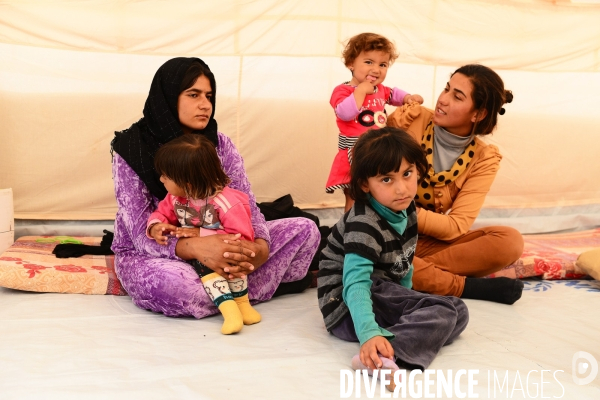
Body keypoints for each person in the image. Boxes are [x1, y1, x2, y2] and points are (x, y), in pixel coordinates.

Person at [110, 57, 320, 319]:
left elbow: (247, 203)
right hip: (159, 253)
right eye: (194, 94)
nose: (205, 105)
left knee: (305, 230)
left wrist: (259, 248)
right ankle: (239, 290)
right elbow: (141, 234)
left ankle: (225, 287)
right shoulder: (131, 149)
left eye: (209, 96)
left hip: (224, 239)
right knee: (177, 286)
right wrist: (196, 248)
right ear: (168, 96)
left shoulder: (219, 143)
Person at [318, 127, 468, 392]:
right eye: (387, 180)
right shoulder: (364, 222)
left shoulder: (406, 208)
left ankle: (387, 345)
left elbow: (405, 261)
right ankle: (378, 355)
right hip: (346, 304)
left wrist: (406, 299)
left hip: (382, 292)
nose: (402, 188)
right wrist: (368, 333)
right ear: (365, 184)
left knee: (458, 312)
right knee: (443, 313)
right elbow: (355, 283)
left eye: (407, 174)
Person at [387, 64, 524, 304]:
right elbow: (377, 184)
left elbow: (456, 226)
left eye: (457, 96)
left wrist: (409, 214)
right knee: (369, 246)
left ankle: (404, 272)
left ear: (478, 114)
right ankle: (462, 286)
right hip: (386, 231)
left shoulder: (485, 158)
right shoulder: (411, 119)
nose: (443, 99)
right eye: (446, 89)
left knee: (510, 241)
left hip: (426, 242)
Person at [147, 134, 261, 334]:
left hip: (227, 254)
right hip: (201, 256)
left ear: (188, 183)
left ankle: (242, 305)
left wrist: (201, 234)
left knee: (229, 258)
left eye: (166, 175)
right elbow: (161, 213)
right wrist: (156, 226)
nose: (161, 179)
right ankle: (230, 310)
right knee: (203, 264)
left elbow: (241, 238)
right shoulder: (175, 197)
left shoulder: (227, 203)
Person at [325, 32, 424, 212]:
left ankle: (375, 227)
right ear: (351, 63)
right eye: (369, 62)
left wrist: (408, 97)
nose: (376, 69)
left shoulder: (381, 90)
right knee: (354, 194)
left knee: (378, 193)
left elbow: (394, 94)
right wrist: (361, 91)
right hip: (354, 151)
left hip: (377, 149)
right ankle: (349, 228)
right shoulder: (343, 90)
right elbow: (344, 113)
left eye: (382, 64)